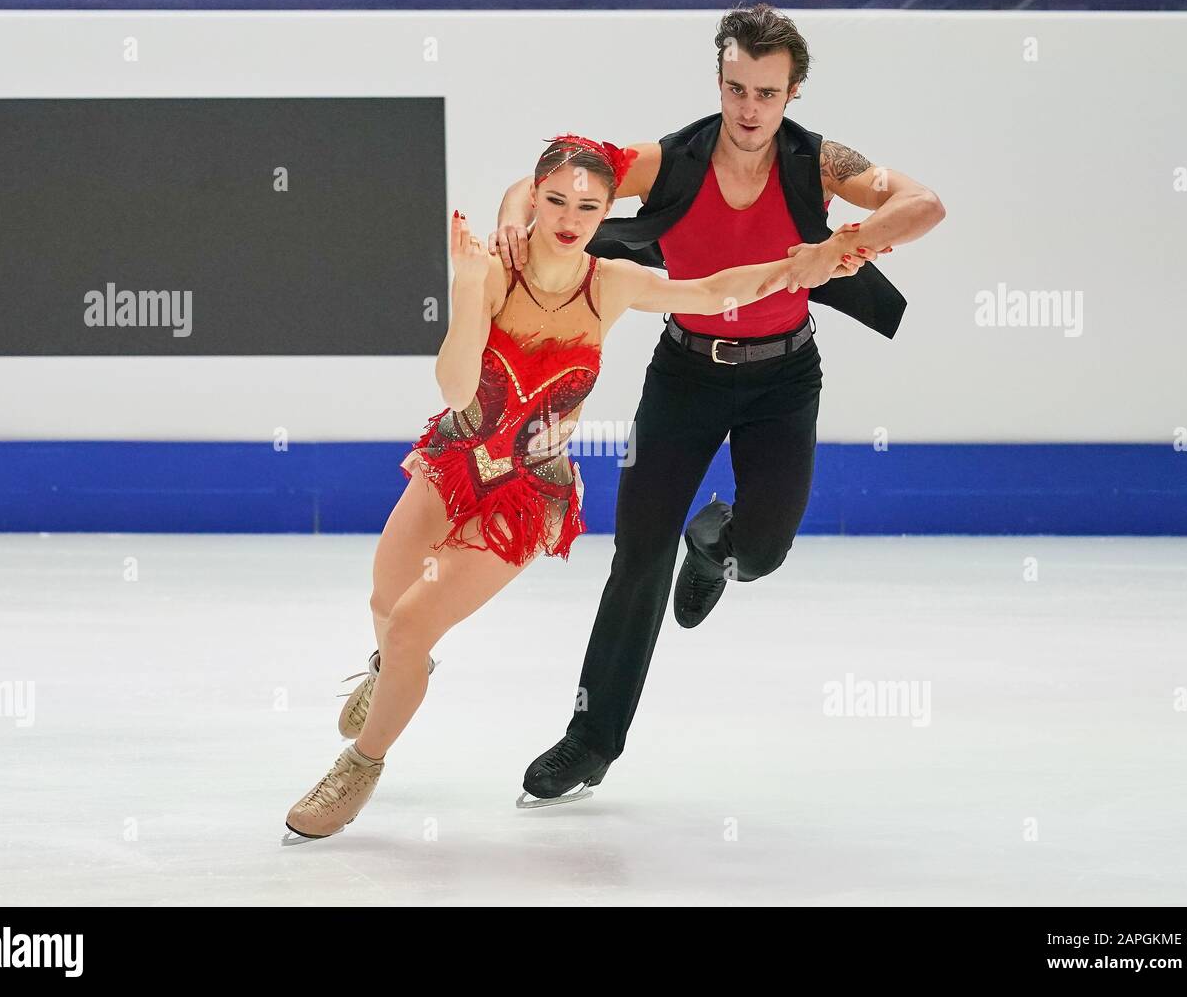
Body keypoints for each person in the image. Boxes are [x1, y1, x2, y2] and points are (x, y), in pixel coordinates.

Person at [282, 133, 829, 842]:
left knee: (415, 623)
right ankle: (391, 671)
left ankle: (358, 768)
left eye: (589, 205)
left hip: (525, 497)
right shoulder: (492, 273)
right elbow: (454, 389)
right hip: (453, 462)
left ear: (606, 213)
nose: (571, 217)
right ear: (531, 198)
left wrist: (802, 266)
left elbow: (712, 290)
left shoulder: (610, 283)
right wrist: (463, 288)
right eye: (557, 200)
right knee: (387, 603)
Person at [493, 4, 946, 807]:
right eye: (736, 88)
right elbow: (543, 180)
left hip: (784, 379)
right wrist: (509, 222)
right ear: (719, 82)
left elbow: (924, 204)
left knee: (763, 551)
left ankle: (718, 545)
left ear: (792, 94)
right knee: (637, 557)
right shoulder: (669, 160)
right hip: (684, 375)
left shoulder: (817, 165)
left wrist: (837, 248)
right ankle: (589, 741)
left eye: (766, 94)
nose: (748, 109)